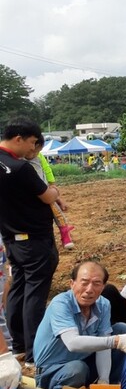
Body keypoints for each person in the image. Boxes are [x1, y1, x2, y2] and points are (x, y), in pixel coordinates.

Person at [0, 117, 63, 365]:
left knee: (19, 288)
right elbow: (48, 195)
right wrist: (56, 192)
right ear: (19, 138)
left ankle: (18, 345)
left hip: (12, 239)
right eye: (33, 143)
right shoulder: (20, 168)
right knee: (35, 294)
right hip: (35, 239)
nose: (33, 150)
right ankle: (35, 351)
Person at [33, 262, 126, 389]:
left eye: (96, 284)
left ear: (103, 287)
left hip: (83, 364)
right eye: (84, 282)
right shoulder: (61, 304)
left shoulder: (103, 304)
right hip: (52, 371)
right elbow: (73, 343)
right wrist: (116, 341)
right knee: (76, 368)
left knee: (122, 329)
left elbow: (104, 346)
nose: (89, 290)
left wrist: (104, 380)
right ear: (72, 283)